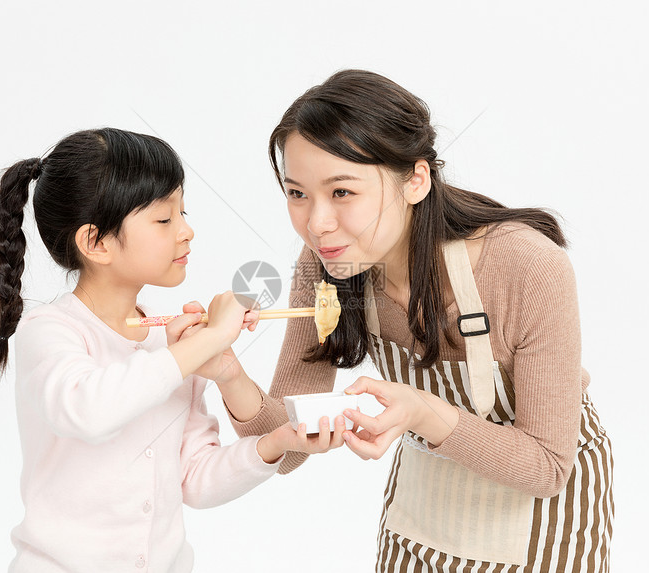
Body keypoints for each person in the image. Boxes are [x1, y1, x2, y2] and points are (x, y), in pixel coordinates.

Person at [216, 70, 614, 572]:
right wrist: (227, 372)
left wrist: (423, 413)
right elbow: (289, 448)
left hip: (539, 516)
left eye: (342, 192)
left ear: (416, 180)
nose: (316, 223)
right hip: (424, 512)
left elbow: (546, 467)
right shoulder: (327, 262)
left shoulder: (527, 266)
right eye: (297, 193)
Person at [0, 127, 337, 573]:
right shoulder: (49, 331)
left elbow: (196, 479)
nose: (187, 231)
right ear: (95, 243)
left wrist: (275, 442)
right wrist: (208, 340)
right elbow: (88, 409)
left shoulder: (169, 343)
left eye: (183, 211)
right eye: (165, 219)